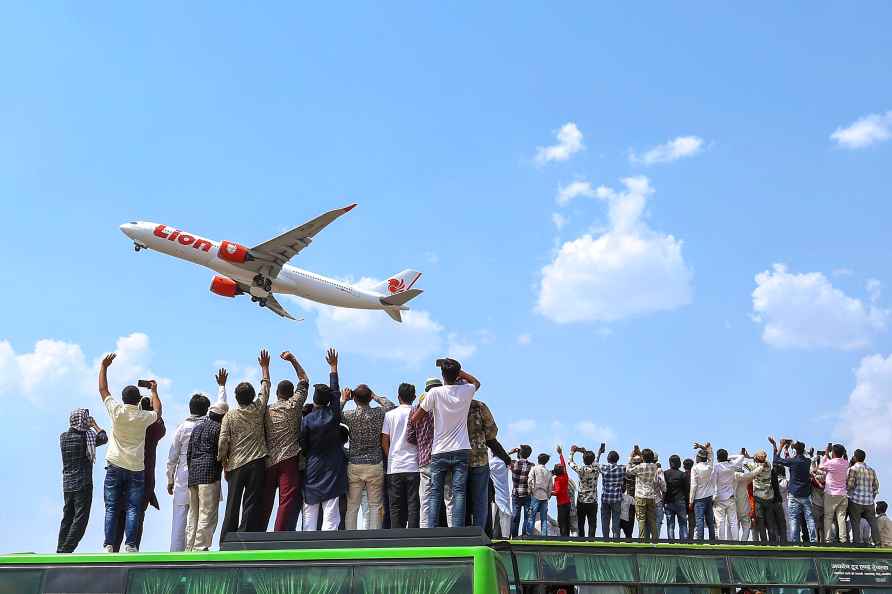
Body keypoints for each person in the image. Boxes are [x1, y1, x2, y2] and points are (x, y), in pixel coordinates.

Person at [98, 352, 161, 553]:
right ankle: (131, 544)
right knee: (134, 508)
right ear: (138, 400)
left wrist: (104, 367)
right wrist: (154, 391)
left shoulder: (117, 411)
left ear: (123, 399)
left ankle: (108, 544)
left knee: (112, 507)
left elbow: (103, 389)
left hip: (115, 464)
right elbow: (158, 412)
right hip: (136, 467)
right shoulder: (143, 416)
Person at [410, 358, 480, 529]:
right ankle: (456, 529)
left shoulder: (435, 393)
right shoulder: (466, 391)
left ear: (442, 375)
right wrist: (459, 371)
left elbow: (415, 418)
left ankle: (432, 530)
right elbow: (476, 382)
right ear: (457, 375)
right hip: (461, 448)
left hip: (439, 450)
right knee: (458, 493)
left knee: (435, 493)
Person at [218, 349, 271, 541]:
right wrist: (265, 368)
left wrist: (224, 462)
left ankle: (226, 538)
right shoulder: (258, 409)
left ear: (236, 397)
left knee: (232, 503)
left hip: (235, 464)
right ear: (251, 396)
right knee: (251, 502)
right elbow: (265, 388)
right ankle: (244, 537)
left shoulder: (229, 415)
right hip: (256, 461)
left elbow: (223, 441)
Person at [260, 351, 309, 532]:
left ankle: (257, 535)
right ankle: (279, 536)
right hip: (289, 459)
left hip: (268, 460)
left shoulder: (266, 410)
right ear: (290, 394)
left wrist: (265, 368)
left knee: (265, 501)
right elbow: (304, 380)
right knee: (286, 501)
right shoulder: (294, 406)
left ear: (277, 394)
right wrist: (293, 360)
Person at [341, 376, 396, 530]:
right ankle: (374, 537)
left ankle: (350, 538)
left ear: (355, 399)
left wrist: (344, 399)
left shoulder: (350, 415)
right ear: (369, 397)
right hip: (374, 464)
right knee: (375, 505)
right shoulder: (378, 413)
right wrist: (376, 396)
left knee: (352, 506)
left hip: (355, 464)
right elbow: (391, 406)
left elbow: (335, 414)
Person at [301, 349, 347, 531]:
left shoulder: (306, 420)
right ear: (329, 401)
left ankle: (307, 544)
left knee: (310, 507)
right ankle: (329, 544)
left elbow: (303, 444)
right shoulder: (333, 414)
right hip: (332, 465)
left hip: (313, 463)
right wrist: (333, 367)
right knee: (331, 508)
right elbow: (336, 392)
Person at [185, 369, 228, 551]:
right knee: (207, 513)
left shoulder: (198, 427)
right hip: (209, 475)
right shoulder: (219, 428)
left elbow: (189, 453)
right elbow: (221, 452)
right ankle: (200, 548)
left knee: (192, 514)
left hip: (193, 475)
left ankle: (189, 547)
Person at [58, 409, 108, 553]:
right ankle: (66, 550)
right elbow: (104, 438)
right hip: (83, 483)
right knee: (80, 519)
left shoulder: (63, 437)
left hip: (67, 484)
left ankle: (60, 547)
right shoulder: (86, 438)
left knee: (67, 518)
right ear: (82, 421)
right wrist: (95, 425)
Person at [165, 392, 210, 551]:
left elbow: (172, 457)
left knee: (179, 518)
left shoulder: (181, 428)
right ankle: (195, 552)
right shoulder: (208, 426)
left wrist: (170, 479)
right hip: (203, 475)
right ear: (206, 409)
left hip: (182, 476)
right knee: (199, 517)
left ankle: (175, 555)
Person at [382, 383, 420, 528]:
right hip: (414, 465)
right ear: (414, 397)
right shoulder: (418, 412)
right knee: (413, 504)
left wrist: (390, 455)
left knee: (395, 506)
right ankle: (413, 538)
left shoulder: (390, 415)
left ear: (398, 397)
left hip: (395, 466)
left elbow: (385, 439)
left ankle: (397, 539)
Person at [407, 377, 441, 528]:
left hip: (424, 458)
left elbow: (409, 436)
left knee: (425, 497)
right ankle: (451, 531)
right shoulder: (443, 406)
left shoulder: (415, 408)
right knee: (447, 497)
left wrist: (422, 443)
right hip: (442, 456)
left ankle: (425, 529)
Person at [770, 438, 817, 543]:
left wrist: (781, 445)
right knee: (809, 518)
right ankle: (814, 540)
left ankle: (795, 542)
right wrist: (795, 445)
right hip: (805, 494)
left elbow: (776, 460)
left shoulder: (793, 461)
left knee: (793, 519)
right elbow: (808, 454)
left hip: (794, 494)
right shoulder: (807, 461)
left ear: (795, 451)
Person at [467, 399, 500, 529]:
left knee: (459, 497)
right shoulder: (479, 406)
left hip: (458, 457)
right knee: (480, 499)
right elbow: (492, 431)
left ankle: (461, 532)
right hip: (479, 456)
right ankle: (479, 533)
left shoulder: (450, 403)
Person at [627, 446, 661, 542]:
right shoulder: (655, 467)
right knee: (652, 520)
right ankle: (655, 540)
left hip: (640, 496)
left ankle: (642, 539)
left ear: (643, 457)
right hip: (651, 496)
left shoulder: (640, 467)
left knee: (641, 519)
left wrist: (631, 457)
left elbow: (628, 471)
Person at [847, 448, 880, 545]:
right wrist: (871, 496)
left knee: (855, 522)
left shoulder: (853, 469)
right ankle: (877, 542)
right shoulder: (871, 470)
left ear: (855, 457)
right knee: (873, 523)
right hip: (869, 502)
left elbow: (850, 485)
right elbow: (876, 486)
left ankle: (857, 542)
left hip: (856, 500)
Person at [712, 447, 746, 541]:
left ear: (718, 458)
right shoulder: (732, 465)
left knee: (720, 522)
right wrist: (729, 457)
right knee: (733, 522)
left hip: (719, 498)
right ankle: (736, 541)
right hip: (730, 497)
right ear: (726, 457)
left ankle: (722, 542)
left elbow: (713, 483)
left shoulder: (716, 467)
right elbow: (741, 456)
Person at [820, 443, 850, 543]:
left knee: (828, 517)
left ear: (833, 452)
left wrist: (825, 454)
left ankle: (828, 540)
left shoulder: (830, 463)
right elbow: (845, 459)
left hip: (831, 493)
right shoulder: (846, 463)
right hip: (843, 494)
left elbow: (820, 466)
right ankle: (843, 539)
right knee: (841, 518)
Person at [569, 444, 601, 538]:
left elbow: (570, 462)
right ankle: (591, 541)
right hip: (593, 501)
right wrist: (584, 452)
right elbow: (594, 460)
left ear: (583, 460)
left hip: (581, 501)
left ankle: (581, 540)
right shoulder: (596, 468)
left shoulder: (581, 470)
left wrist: (572, 452)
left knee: (581, 523)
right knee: (592, 524)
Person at [689, 442, 716, 541]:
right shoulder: (709, 466)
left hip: (698, 498)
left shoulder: (695, 468)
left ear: (699, 458)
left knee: (699, 520)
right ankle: (712, 541)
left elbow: (693, 485)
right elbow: (712, 454)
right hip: (709, 497)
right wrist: (702, 447)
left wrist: (691, 501)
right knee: (710, 521)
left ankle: (700, 541)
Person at [598, 449, 627, 539]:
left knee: (605, 520)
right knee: (616, 520)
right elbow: (630, 465)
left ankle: (606, 540)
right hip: (617, 498)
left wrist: (599, 453)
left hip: (605, 498)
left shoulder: (604, 468)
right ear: (617, 459)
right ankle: (616, 540)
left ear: (607, 459)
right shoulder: (622, 468)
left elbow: (595, 464)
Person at [509, 445, 534, 537]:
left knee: (515, 517)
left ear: (519, 453)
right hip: (527, 494)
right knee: (527, 517)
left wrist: (511, 452)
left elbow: (503, 459)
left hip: (516, 494)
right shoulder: (532, 466)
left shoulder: (513, 463)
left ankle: (514, 537)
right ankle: (524, 536)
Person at [489, 445, 514, 538]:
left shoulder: (491, 463)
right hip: (504, 492)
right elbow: (506, 458)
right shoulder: (504, 463)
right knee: (505, 515)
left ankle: (490, 534)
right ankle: (506, 536)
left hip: (495, 492)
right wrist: (509, 453)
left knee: (492, 514)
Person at [663, 454, 689, 541]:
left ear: (670, 463)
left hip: (668, 502)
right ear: (679, 463)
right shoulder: (682, 474)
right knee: (683, 524)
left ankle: (671, 543)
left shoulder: (665, 473)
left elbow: (663, 489)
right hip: (681, 502)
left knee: (670, 524)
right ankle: (684, 542)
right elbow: (686, 489)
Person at [527, 453, 553, 536]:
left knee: (531, 517)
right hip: (545, 496)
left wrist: (530, 491)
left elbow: (530, 480)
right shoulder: (548, 472)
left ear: (538, 459)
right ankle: (544, 536)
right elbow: (550, 486)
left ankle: (529, 535)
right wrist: (548, 496)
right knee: (544, 518)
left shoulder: (534, 469)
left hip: (535, 494)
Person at [553, 446, 571, 536]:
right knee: (567, 522)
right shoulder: (565, 476)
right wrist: (560, 454)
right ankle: (567, 537)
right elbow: (563, 465)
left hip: (561, 504)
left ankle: (563, 538)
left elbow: (557, 492)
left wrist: (549, 492)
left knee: (561, 522)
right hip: (568, 502)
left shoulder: (557, 479)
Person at [683, 458, 696, 542]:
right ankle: (690, 539)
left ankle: (684, 539)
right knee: (691, 523)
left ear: (684, 466)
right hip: (693, 501)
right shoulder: (694, 475)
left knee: (683, 522)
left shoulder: (682, 475)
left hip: (683, 501)